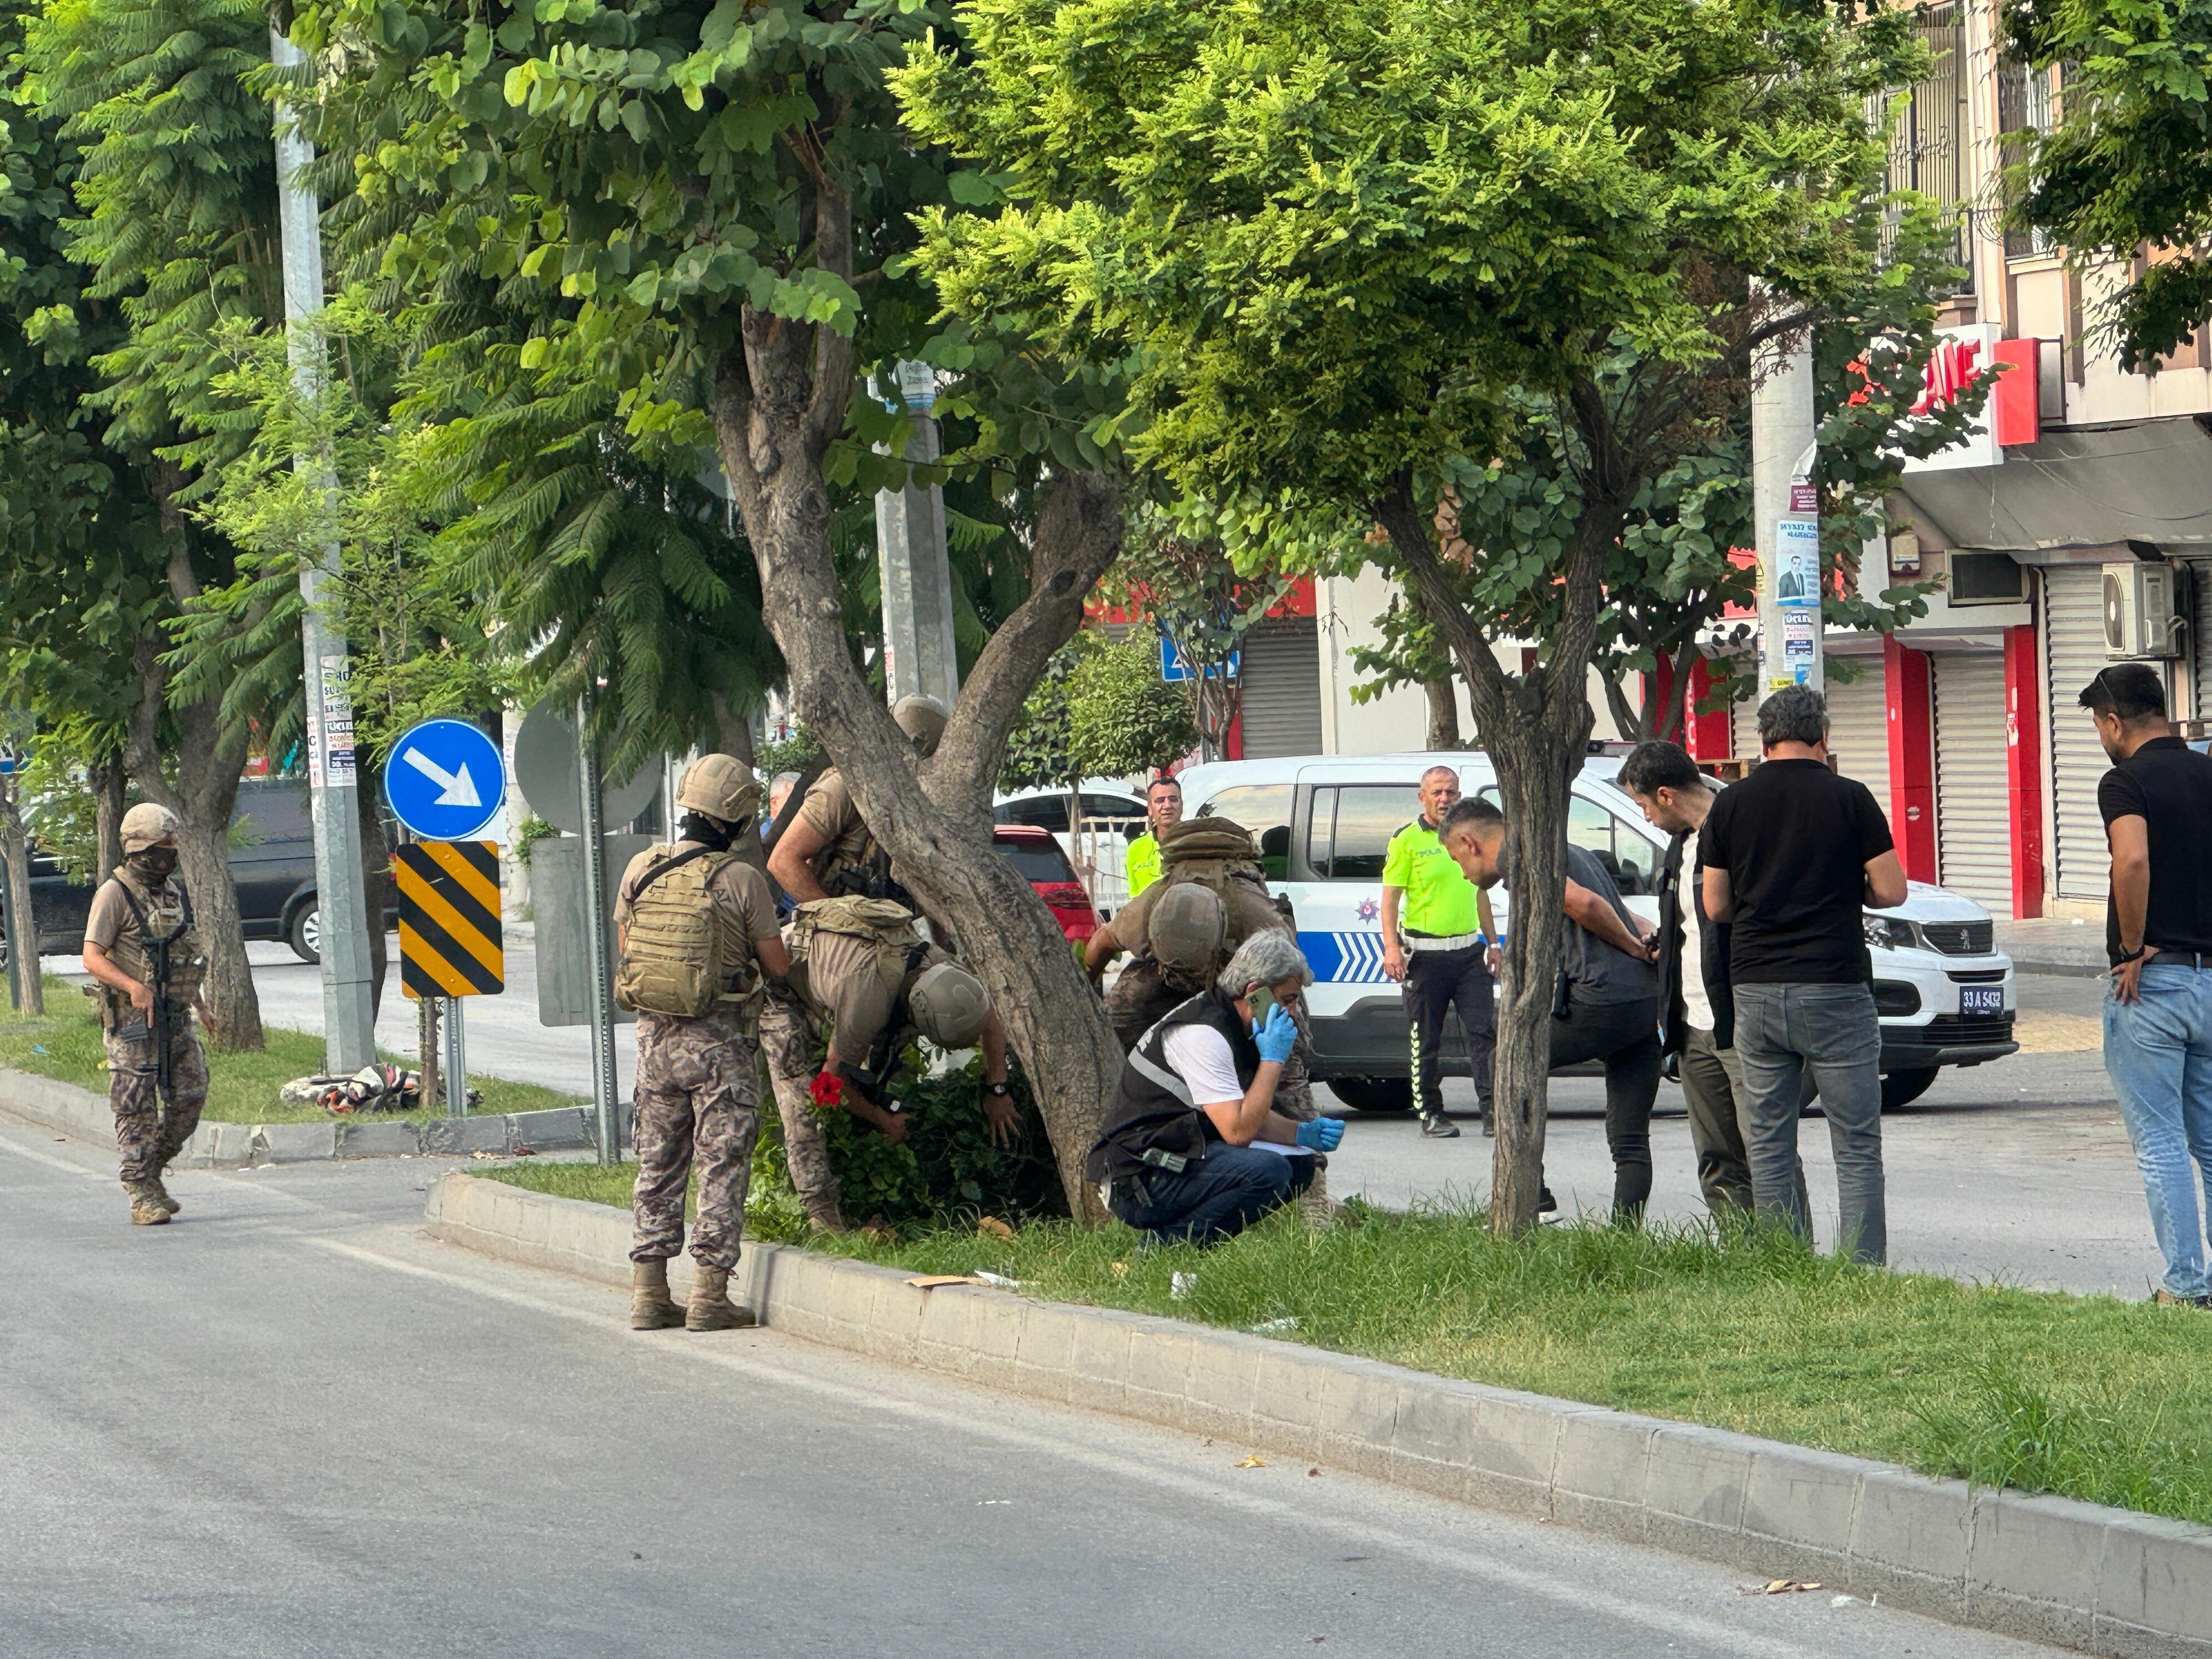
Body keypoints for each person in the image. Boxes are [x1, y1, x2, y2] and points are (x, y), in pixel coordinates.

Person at [1699, 685, 1906, 1265]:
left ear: (1763, 740)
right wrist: (1845, 888)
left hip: (1757, 988)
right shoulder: (1851, 798)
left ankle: (1786, 1263)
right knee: (1856, 1142)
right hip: (1835, 985)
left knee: (1767, 1140)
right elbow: (1891, 889)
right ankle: (1862, 1267)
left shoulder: (1730, 804)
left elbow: (1716, 906)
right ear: (1824, 737)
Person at [613, 754, 792, 1331]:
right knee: (721, 1165)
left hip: (654, 1043)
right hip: (720, 1048)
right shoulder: (742, 880)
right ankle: (710, 1295)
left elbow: (629, 948)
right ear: (739, 818)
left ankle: (648, 1293)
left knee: (658, 1165)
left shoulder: (643, 866)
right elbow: (778, 966)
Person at [1439, 795, 1660, 1223]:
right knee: (1630, 1137)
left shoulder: (1523, 857)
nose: (1462, 872)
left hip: (1597, 999)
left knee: (1507, 1064)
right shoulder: (1567, 848)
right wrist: (1643, 940)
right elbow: (1621, 910)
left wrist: (1631, 945)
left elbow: (1586, 905)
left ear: (1470, 842)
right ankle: (1625, 1236)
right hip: (1640, 1001)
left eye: (1455, 858)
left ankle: (1535, 1200)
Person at [1620, 740, 1810, 1222]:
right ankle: (1741, 1256)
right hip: (1690, 1025)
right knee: (1717, 1155)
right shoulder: (1678, 846)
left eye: (1643, 805)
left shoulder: (1741, 830)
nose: (1644, 818)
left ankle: (1788, 1253)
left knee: (1766, 1150)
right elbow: (1688, 926)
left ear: (1665, 794)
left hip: (1742, 1019)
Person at [2082, 663, 2212, 1308]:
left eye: (2098, 725)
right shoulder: (2208, 772)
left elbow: (2131, 858)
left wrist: (2132, 948)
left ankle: (2186, 1286)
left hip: (2153, 987)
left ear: (2114, 722)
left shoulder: (2125, 780)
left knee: (2161, 1140)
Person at [1087, 932, 1344, 1246]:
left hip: (1172, 1156)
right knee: (1268, 1171)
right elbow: (1238, 1132)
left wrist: (1301, 1134)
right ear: (1256, 993)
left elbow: (1241, 1112)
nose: (1294, 1012)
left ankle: (1193, 1244)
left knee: (1300, 1165)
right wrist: (1272, 1060)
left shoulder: (1234, 1023)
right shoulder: (1204, 1034)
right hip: (1137, 1178)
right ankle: (1165, 1249)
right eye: (1288, 999)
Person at [764, 895, 1017, 1155]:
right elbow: (831, 1079)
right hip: (776, 973)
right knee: (806, 1109)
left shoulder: (943, 971)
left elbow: (986, 1012)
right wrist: (885, 1121)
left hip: (844, 963)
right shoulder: (869, 996)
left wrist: (997, 1087)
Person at [81, 803, 210, 1228]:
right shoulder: (113, 894)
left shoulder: (170, 892)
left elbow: (183, 951)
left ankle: (151, 1173)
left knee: (190, 1096)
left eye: (172, 845)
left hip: (174, 1017)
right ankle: (140, 1193)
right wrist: (133, 987)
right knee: (136, 1108)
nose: (170, 853)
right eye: (163, 846)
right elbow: (92, 956)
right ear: (141, 850)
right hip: (133, 1024)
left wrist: (201, 1003)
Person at [1381, 765, 1499, 1141]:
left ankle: (1494, 1112)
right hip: (1425, 956)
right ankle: (1431, 1114)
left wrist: (1493, 943)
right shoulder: (1406, 841)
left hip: (1469, 954)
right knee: (1426, 1038)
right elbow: (1390, 900)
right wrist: (1391, 949)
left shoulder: (1469, 837)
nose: (1445, 798)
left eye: (1451, 792)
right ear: (1423, 797)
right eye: (1437, 792)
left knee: (1485, 1034)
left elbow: (1480, 892)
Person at [768, 695, 949, 907]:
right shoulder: (846, 785)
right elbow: (783, 862)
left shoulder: (922, 802)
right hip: (841, 929)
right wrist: (840, 922)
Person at [1122, 776, 1182, 900]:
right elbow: (1135, 898)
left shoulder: (1195, 842)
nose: (1167, 805)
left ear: (1182, 805)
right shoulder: (1136, 848)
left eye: (1173, 799)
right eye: (1160, 800)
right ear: (1150, 809)